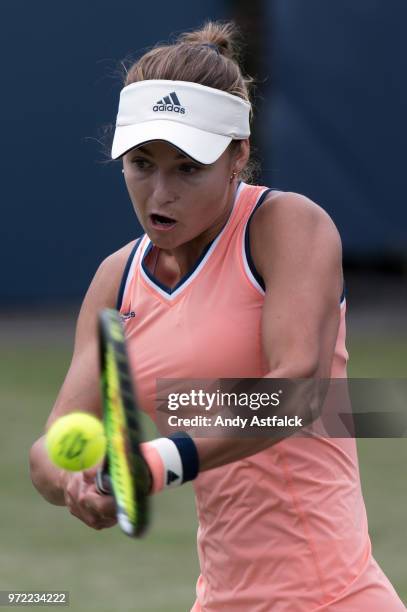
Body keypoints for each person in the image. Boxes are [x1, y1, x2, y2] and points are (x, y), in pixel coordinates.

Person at [29, 21, 405, 612]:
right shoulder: (116, 279)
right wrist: (74, 480)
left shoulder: (288, 226)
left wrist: (158, 459)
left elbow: (299, 391)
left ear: (239, 156)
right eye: (141, 163)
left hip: (335, 597)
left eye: (188, 167)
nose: (160, 193)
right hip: (222, 599)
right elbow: (51, 444)